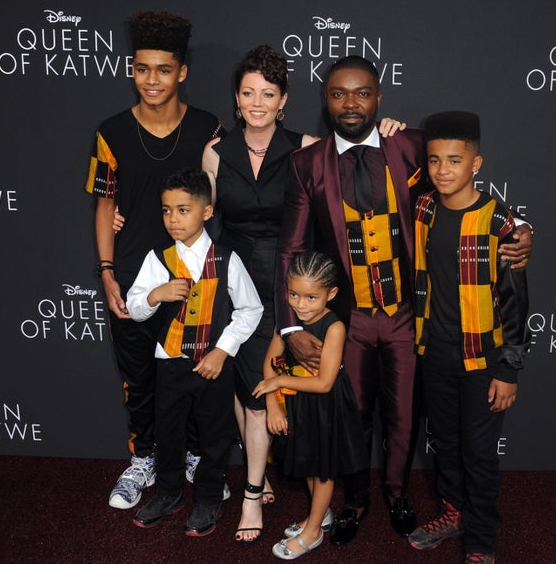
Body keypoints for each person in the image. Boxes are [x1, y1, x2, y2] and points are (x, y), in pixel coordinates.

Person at [274, 56, 534, 545]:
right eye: (338, 94)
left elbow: (472, 197)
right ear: (325, 100)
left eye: (362, 93)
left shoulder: (413, 144)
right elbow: (291, 247)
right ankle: (354, 500)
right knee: (351, 414)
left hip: (410, 319)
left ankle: (396, 492)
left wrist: (522, 231)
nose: (351, 103)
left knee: (405, 414)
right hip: (346, 320)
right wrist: (291, 328)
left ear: (379, 97)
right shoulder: (306, 163)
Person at [198, 45, 404, 542]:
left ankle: (309, 491)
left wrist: (391, 132)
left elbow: (360, 167)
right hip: (237, 283)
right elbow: (203, 217)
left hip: (295, 290)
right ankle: (254, 486)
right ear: (236, 97)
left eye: (267, 94)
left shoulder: (308, 146)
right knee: (247, 386)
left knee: (295, 388)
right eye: (248, 92)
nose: (257, 102)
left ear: (284, 100)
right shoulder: (214, 151)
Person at [85, 10, 225, 510]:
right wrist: (106, 274)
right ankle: (143, 457)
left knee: (192, 375)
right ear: (131, 69)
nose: (152, 80)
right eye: (142, 69)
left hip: (194, 279)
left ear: (182, 72)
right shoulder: (111, 132)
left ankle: (189, 454)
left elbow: (247, 175)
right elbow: (105, 205)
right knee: (139, 377)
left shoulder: (210, 128)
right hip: (131, 276)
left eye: (163, 69)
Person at [406, 112, 529, 564]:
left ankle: (481, 536)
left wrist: (510, 369)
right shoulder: (423, 207)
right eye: (435, 160)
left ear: (477, 164)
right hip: (433, 353)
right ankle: (453, 513)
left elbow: (516, 302)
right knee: (448, 445)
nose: (443, 170)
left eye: (454, 161)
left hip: (484, 359)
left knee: (479, 453)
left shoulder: (501, 224)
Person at [125, 167, 262, 536]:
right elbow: (135, 304)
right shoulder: (159, 258)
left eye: (183, 210)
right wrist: (156, 295)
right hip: (170, 364)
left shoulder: (226, 258)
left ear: (206, 211)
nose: (173, 219)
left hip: (214, 366)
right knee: (168, 433)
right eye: (167, 210)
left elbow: (252, 309)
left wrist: (223, 350)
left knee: (215, 435)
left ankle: (208, 498)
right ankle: (168, 492)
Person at [252, 251, 367, 560]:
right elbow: (269, 364)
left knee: (324, 469)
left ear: (331, 294)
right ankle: (321, 515)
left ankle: (313, 531)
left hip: (326, 407)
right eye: (293, 294)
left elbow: (324, 382)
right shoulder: (288, 324)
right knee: (307, 463)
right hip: (297, 405)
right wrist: (275, 408)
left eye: (311, 297)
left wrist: (278, 383)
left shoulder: (334, 328)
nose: (300, 304)